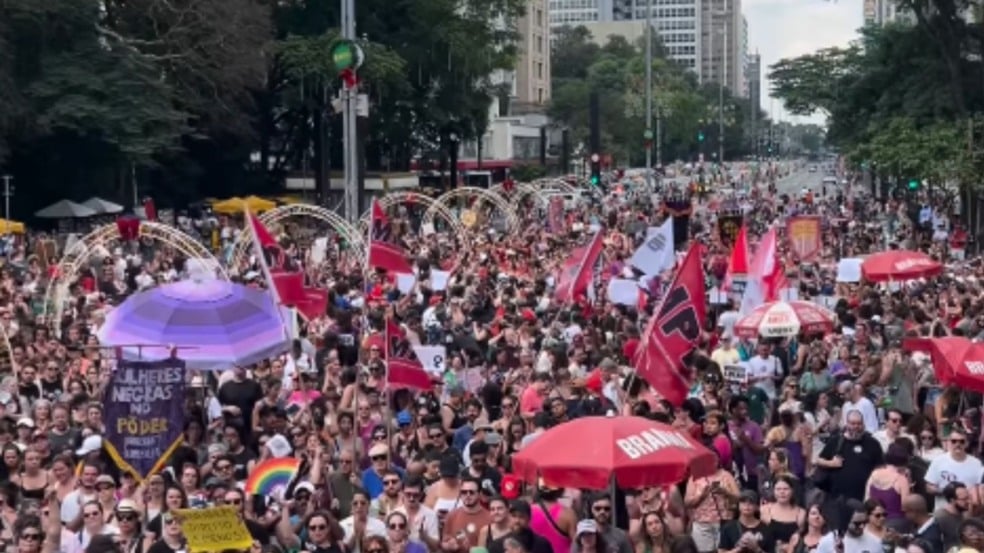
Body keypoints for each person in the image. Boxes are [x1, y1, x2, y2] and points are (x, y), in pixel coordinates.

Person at [816, 409, 882, 532]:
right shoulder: (836, 441)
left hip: (862, 498)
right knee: (838, 530)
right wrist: (831, 463)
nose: (856, 427)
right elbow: (818, 460)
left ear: (863, 424)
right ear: (846, 424)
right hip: (837, 498)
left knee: (859, 530)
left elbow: (880, 467)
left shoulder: (872, 443)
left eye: (859, 423)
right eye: (852, 423)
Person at [924, 428, 983, 511]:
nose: (958, 444)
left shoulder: (976, 463)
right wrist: (946, 491)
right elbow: (928, 487)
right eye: (954, 441)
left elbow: (980, 488)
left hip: (969, 512)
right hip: (944, 511)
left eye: (962, 441)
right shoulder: (938, 461)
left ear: (967, 443)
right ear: (948, 443)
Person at [933, 482, 969, 551]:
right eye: (964, 499)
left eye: (968, 497)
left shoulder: (965, 514)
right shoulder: (940, 518)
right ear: (952, 500)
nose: (968, 501)